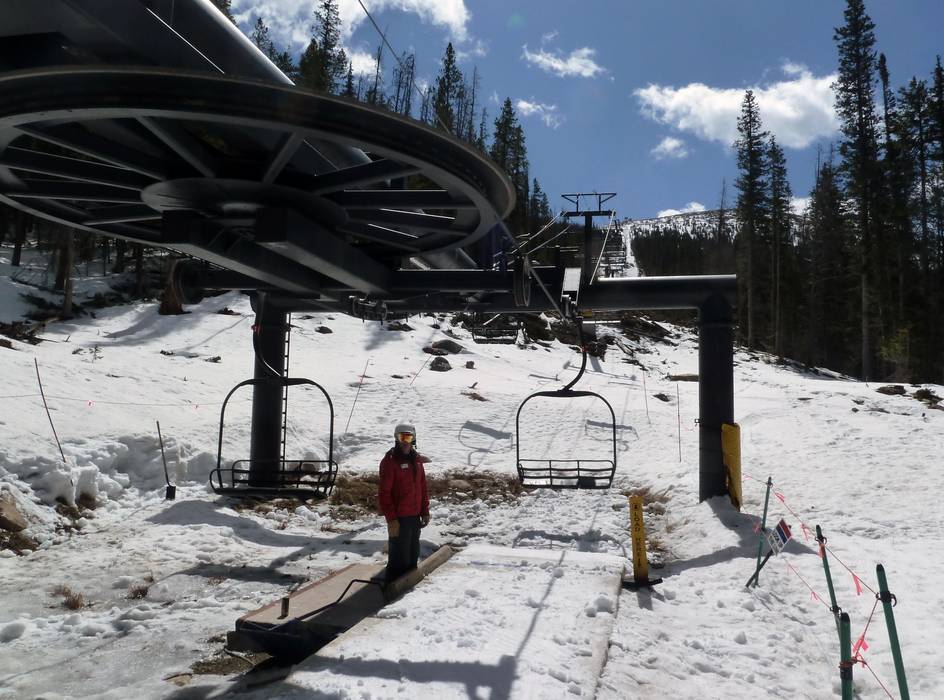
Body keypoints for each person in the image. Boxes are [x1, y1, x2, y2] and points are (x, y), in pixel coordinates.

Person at [378, 421, 430, 583]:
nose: (405, 442)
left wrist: (425, 511)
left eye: (408, 438)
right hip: (399, 518)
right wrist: (392, 519)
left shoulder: (417, 461)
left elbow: (422, 487)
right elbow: (384, 493)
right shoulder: (390, 461)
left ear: (413, 439)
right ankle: (392, 586)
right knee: (399, 557)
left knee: (412, 554)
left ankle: (409, 586)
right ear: (396, 439)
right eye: (402, 438)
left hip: (414, 516)